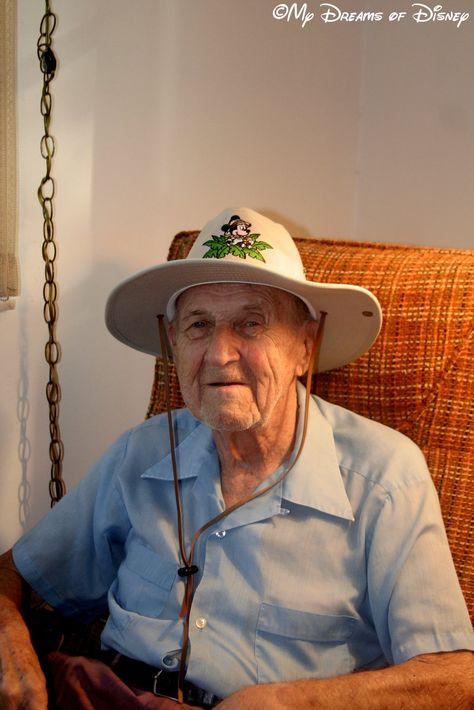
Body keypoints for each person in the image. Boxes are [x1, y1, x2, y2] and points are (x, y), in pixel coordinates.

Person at [0, 207, 473, 710]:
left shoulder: (384, 477)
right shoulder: (141, 451)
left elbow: (456, 676)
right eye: (199, 325)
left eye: (251, 323)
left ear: (304, 348)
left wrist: (292, 703)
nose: (220, 354)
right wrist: (8, 640)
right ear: (174, 343)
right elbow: (18, 572)